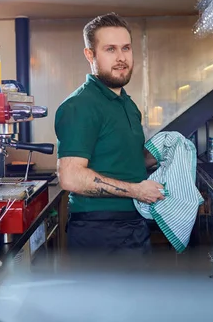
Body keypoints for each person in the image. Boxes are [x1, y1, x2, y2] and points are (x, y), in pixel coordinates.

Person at [54, 13, 164, 256]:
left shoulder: (127, 104)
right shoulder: (79, 106)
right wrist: (136, 190)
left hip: (134, 224)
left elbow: (120, 158)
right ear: (90, 55)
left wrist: (158, 154)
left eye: (126, 48)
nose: (121, 57)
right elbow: (70, 177)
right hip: (98, 230)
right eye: (110, 49)